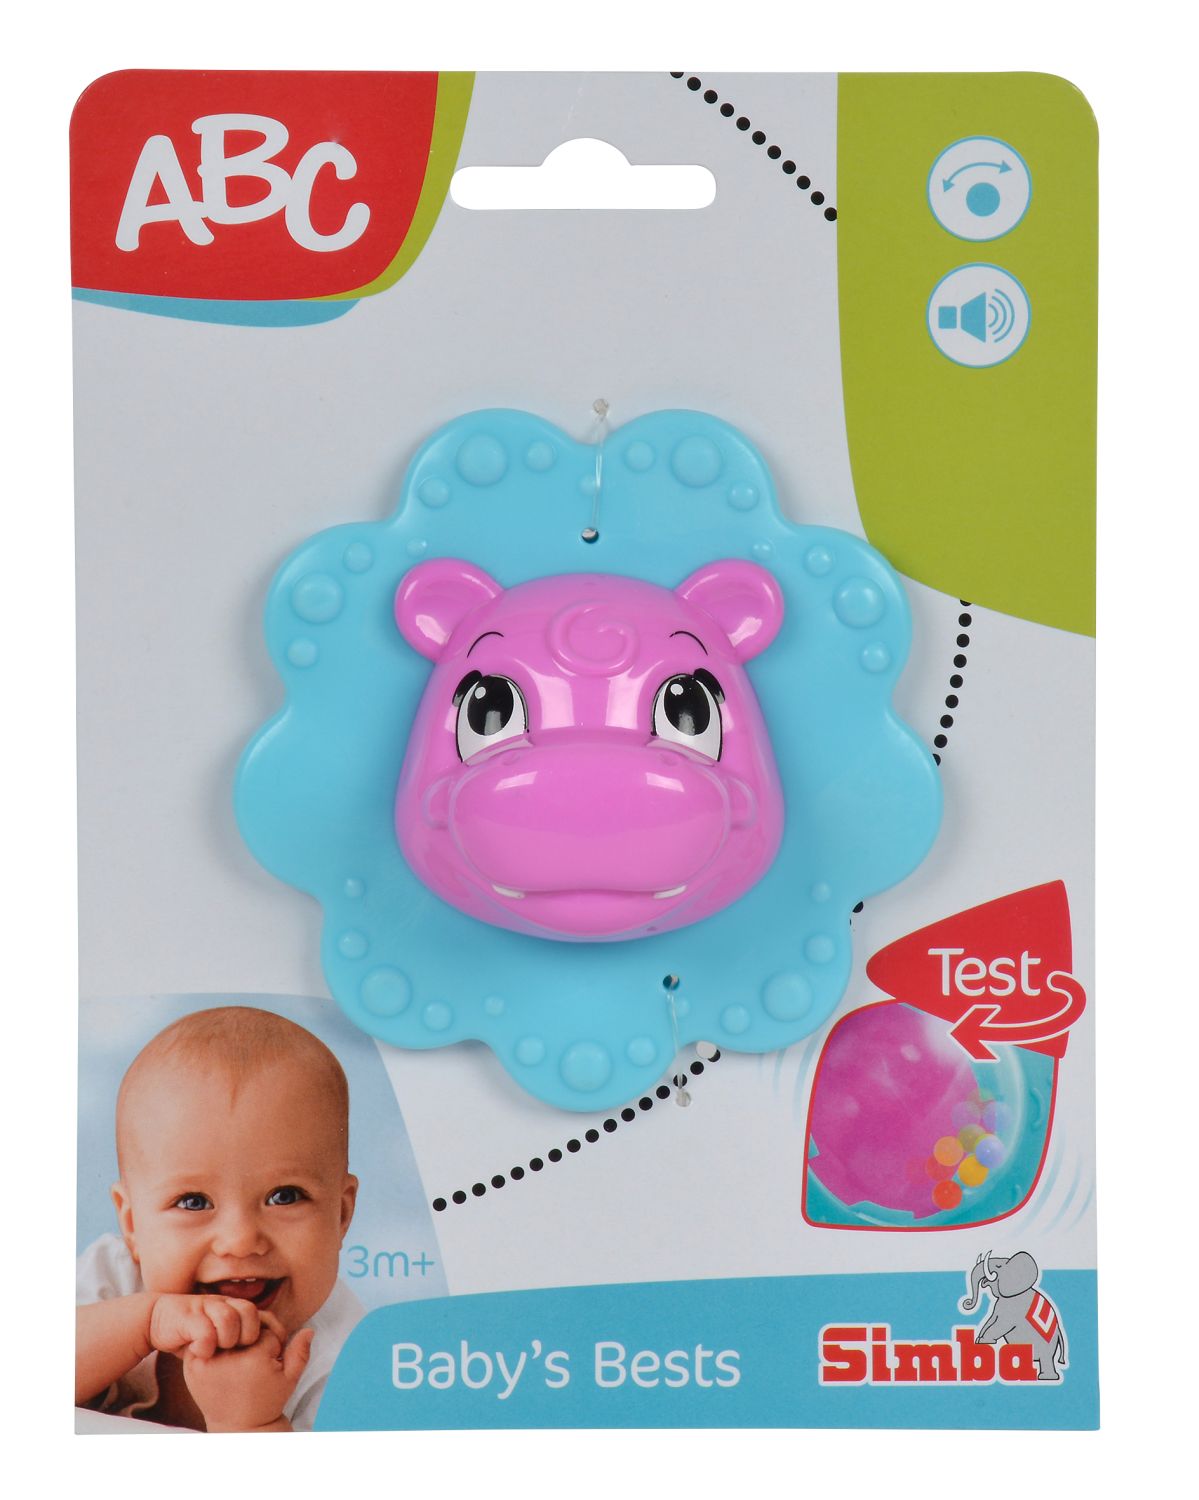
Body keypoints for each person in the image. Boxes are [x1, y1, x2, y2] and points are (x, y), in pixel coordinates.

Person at [76, 1006, 362, 1431]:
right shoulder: (112, 1279)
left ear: (340, 1214)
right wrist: (148, 1322)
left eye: (284, 1197)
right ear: (132, 1224)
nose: (240, 1240)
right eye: (193, 1202)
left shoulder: (342, 1361)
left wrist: (253, 1423)